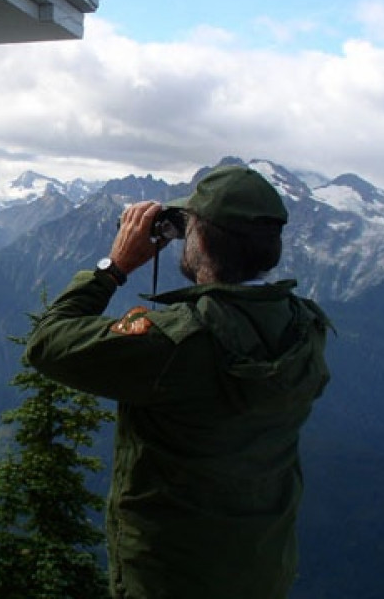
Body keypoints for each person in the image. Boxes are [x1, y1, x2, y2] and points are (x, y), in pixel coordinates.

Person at [24, 165, 332, 599]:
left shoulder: (177, 343)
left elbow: (45, 344)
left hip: (169, 575)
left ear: (202, 241)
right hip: (261, 566)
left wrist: (114, 267)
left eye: (188, 228)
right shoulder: (306, 330)